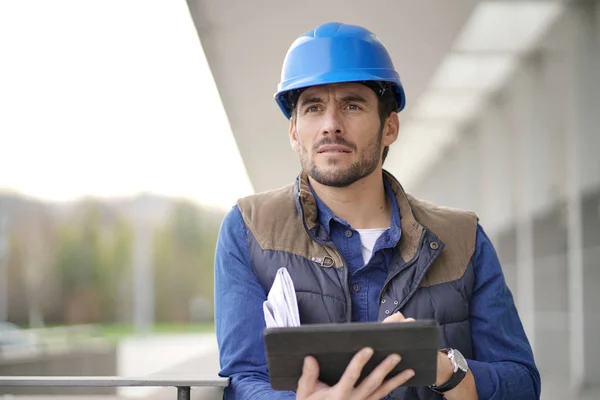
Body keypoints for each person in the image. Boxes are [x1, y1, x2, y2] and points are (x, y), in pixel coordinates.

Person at [214, 21, 541, 400]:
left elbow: (522, 385)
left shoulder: (462, 238)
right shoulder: (249, 230)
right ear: (293, 132)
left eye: (352, 105)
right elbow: (242, 381)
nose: (330, 126)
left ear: (390, 127)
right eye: (313, 108)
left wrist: (442, 367)